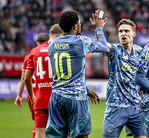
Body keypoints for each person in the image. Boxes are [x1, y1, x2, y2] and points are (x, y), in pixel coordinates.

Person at [45, 9, 108, 138]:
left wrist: (86, 89)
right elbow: (104, 46)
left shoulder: (52, 45)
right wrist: (99, 28)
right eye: (79, 23)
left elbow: (63, 74)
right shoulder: (81, 41)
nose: (80, 25)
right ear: (75, 26)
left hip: (56, 97)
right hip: (76, 98)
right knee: (81, 135)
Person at [25, 24, 64, 138]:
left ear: (49, 35)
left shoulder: (35, 51)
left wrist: (32, 96)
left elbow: (27, 78)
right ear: (61, 36)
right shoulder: (62, 50)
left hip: (40, 99)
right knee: (63, 132)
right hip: (59, 98)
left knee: (39, 133)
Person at [15, 33, 49, 138]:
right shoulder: (51, 52)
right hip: (47, 92)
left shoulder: (29, 56)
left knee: (38, 125)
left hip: (33, 95)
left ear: (37, 43)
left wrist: (19, 95)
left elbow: (24, 78)